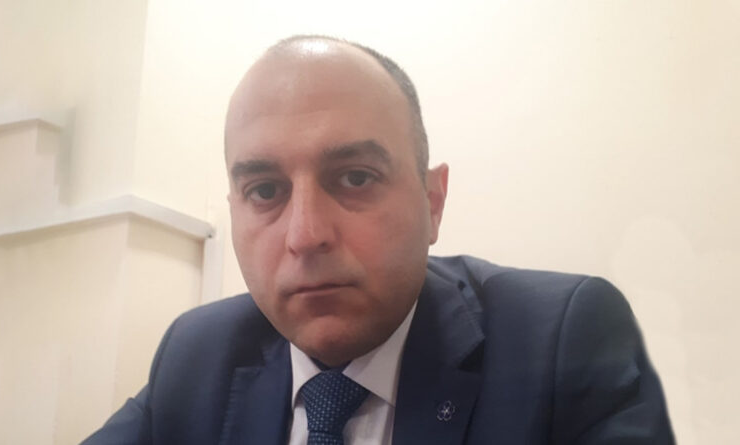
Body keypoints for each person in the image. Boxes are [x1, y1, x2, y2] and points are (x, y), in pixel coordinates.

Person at [83, 35, 674, 444]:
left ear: (432, 202)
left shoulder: (561, 342)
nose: (305, 235)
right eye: (265, 190)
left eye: (355, 178)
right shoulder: (198, 355)